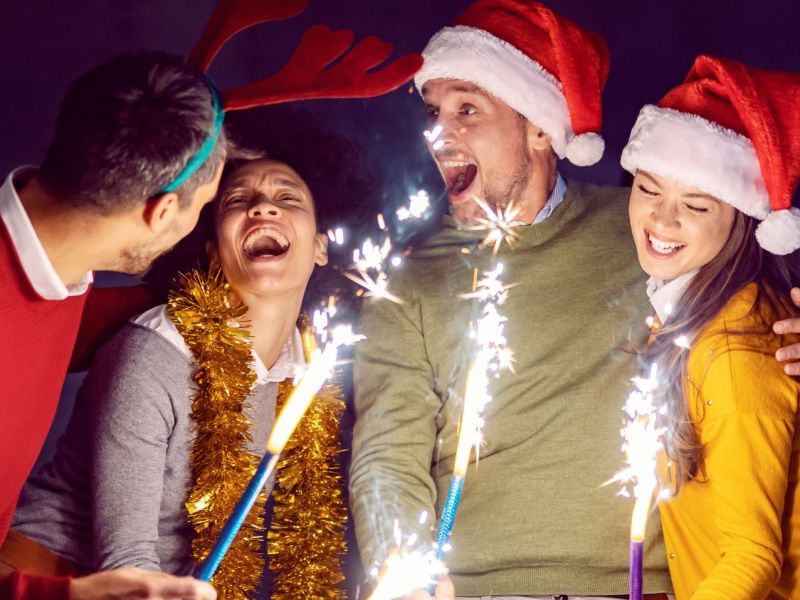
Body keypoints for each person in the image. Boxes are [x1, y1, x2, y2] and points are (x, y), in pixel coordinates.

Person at [349, 2, 800, 599]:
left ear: (540, 126)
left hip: (655, 587)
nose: (441, 133)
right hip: (481, 590)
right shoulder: (407, 281)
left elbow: (752, 301)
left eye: (467, 109)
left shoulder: (650, 234)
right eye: (434, 112)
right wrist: (402, 570)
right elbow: (387, 457)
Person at [9, 154, 334, 596]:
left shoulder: (305, 374)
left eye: (287, 196)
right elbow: (126, 563)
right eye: (238, 199)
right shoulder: (153, 352)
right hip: (50, 579)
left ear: (320, 245)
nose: (263, 207)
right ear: (213, 251)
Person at [0, 50, 227, 600]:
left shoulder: (55, 265)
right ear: (162, 212)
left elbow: (45, 334)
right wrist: (66, 596)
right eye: (206, 206)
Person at [620, 55, 800, 599]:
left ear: (742, 219)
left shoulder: (734, 350)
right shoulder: (684, 316)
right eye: (649, 189)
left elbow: (753, 556)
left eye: (695, 204)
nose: (662, 219)